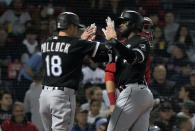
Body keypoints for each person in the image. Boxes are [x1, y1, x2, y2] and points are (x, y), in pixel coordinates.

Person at [39, 12, 115, 131]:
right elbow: (106, 51)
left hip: (44, 96)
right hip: (62, 96)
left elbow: (66, 51)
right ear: (70, 26)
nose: (77, 30)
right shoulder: (77, 44)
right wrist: (111, 38)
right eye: (76, 27)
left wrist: (82, 41)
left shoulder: (46, 42)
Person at [103, 10, 153, 131]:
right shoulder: (121, 46)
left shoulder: (141, 41)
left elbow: (133, 57)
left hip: (134, 91)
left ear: (133, 24)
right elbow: (105, 62)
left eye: (123, 22)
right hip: (137, 94)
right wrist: (90, 42)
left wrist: (114, 42)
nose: (120, 25)